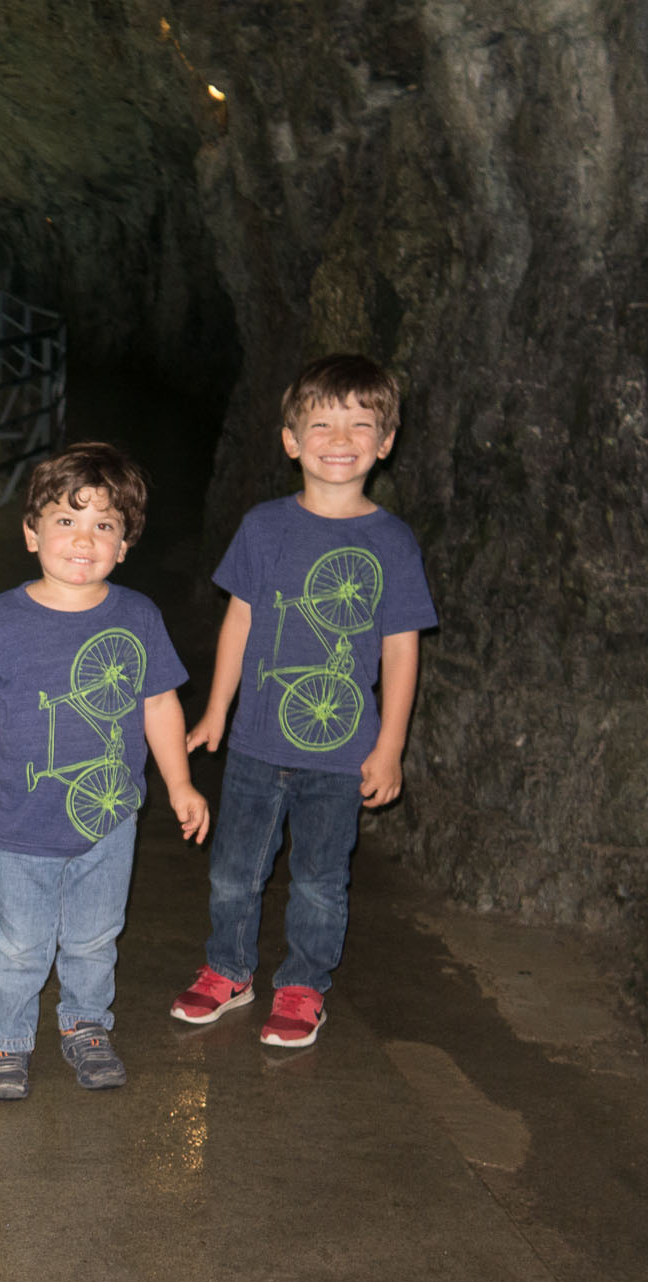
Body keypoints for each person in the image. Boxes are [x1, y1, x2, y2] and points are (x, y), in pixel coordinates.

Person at [171, 354, 437, 1048]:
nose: (340, 439)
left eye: (360, 424)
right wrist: (217, 710)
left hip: (342, 752)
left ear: (386, 441)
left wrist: (390, 746)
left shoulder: (392, 542)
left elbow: (401, 649)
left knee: (320, 879)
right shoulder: (264, 527)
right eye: (321, 424)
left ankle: (302, 985)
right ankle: (228, 969)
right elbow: (240, 621)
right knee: (234, 872)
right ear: (291, 441)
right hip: (256, 741)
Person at [0, 442, 211, 1099]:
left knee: (94, 937)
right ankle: (8, 1040)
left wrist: (180, 783)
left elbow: (159, 704)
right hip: (22, 822)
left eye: (104, 525)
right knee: (18, 945)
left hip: (110, 818)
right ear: (31, 532)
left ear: (125, 545)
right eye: (66, 519)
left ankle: (87, 1025)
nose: (84, 539)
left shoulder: (138, 616)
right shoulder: (0, 619)